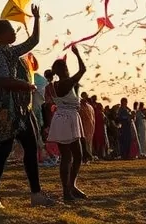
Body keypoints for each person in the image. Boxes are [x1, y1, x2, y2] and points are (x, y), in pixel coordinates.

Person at [0, 7, 54, 210]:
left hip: (20, 108)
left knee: (31, 147)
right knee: (5, 148)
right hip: (7, 109)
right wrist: (27, 85)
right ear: (2, 34)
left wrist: (37, 19)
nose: (15, 31)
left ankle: (36, 194)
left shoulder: (11, 50)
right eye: (11, 28)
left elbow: (33, 41)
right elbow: (5, 81)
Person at [48, 47, 86, 203]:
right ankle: (66, 190)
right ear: (61, 70)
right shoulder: (64, 83)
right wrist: (77, 54)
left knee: (77, 155)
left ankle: (71, 186)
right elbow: (83, 69)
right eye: (64, 66)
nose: (67, 68)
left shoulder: (62, 84)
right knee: (67, 157)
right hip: (65, 119)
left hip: (66, 118)